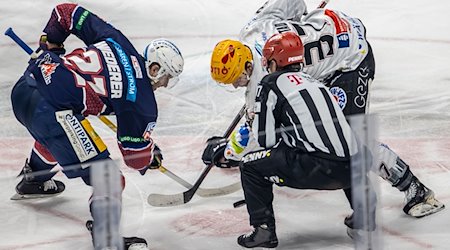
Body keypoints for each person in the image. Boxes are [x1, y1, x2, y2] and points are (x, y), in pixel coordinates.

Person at [207, 0, 444, 218]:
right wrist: (303, 26)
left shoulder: (261, 81)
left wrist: (228, 153)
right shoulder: (252, 30)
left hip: (350, 59)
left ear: (249, 65)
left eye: (238, 79)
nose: (237, 85)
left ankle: (414, 188)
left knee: (349, 139)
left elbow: (258, 135)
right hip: (328, 29)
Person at [10, 3, 183, 249]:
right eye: (166, 77)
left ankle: (34, 179)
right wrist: (149, 153)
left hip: (23, 90)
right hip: (51, 113)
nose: (164, 85)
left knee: (63, 137)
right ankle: (107, 240)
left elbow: (65, 12)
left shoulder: (118, 40)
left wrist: (53, 44)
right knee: (109, 178)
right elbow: (134, 156)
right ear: (155, 69)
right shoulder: (143, 100)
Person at [205, 31, 376, 248]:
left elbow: (264, 140)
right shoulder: (315, 81)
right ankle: (365, 214)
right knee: (347, 154)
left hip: (319, 169)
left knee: (250, 166)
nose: (265, 64)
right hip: (356, 168)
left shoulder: (269, 83)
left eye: (268, 60)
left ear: (275, 62)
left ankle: (263, 230)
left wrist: (231, 151)